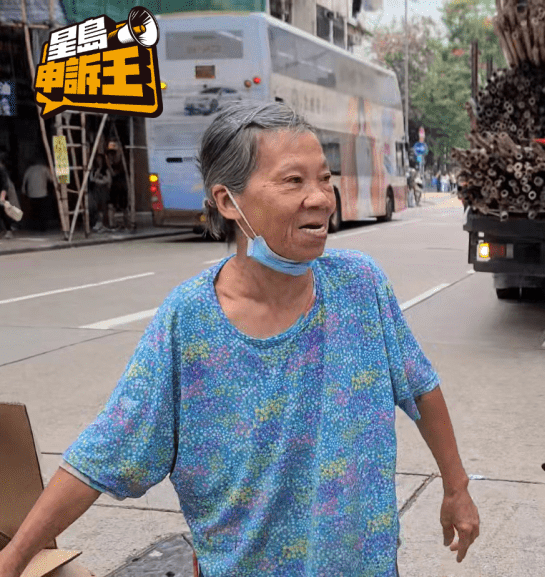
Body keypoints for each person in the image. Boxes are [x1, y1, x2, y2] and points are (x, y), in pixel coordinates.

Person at [0, 101, 480, 577]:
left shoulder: (360, 285)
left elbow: (418, 386)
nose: (320, 198)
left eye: (325, 178)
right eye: (294, 181)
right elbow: (100, 454)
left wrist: (456, 486)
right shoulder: (189, 322)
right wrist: (14, 559)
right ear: (229, 201)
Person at [21, 159, 53, 233]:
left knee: (35, 211)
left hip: (32, 194)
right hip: (42, 193)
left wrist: (24, 192)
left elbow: (24, 181)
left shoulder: (29, 169)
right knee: (43, 211)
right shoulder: (44, 168)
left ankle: (35, 227)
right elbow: (51, 179)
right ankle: (42, 227)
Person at [88, 153, 112, 232]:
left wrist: (100, 180)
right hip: (96, 189)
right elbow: (91, 179)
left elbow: (108, 180)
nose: (99, 161)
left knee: (103, 206)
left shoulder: (105, 170)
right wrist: (96, 177)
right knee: (96, 206)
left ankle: (104, 223)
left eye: (100, 159)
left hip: (103, 190)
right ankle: (98, 222)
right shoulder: (94, 170)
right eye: (97, 159)